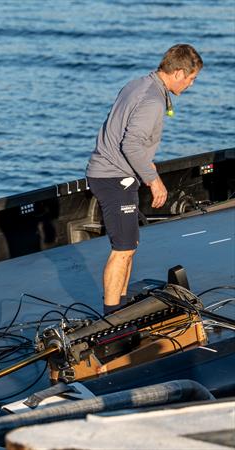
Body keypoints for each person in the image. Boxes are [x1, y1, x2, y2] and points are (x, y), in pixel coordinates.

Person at [86, 44, 202, 315]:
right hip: (115, 177)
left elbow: (118, 131)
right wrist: (154, 180)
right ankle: (111, 316)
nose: (191, 84)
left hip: (113, 173)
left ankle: (121, 306)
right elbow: (131, 145)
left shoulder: (138, 84)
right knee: (123, 249)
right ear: (177, 73)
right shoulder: (153, 101)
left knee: (130, 244)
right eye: (191, 78)